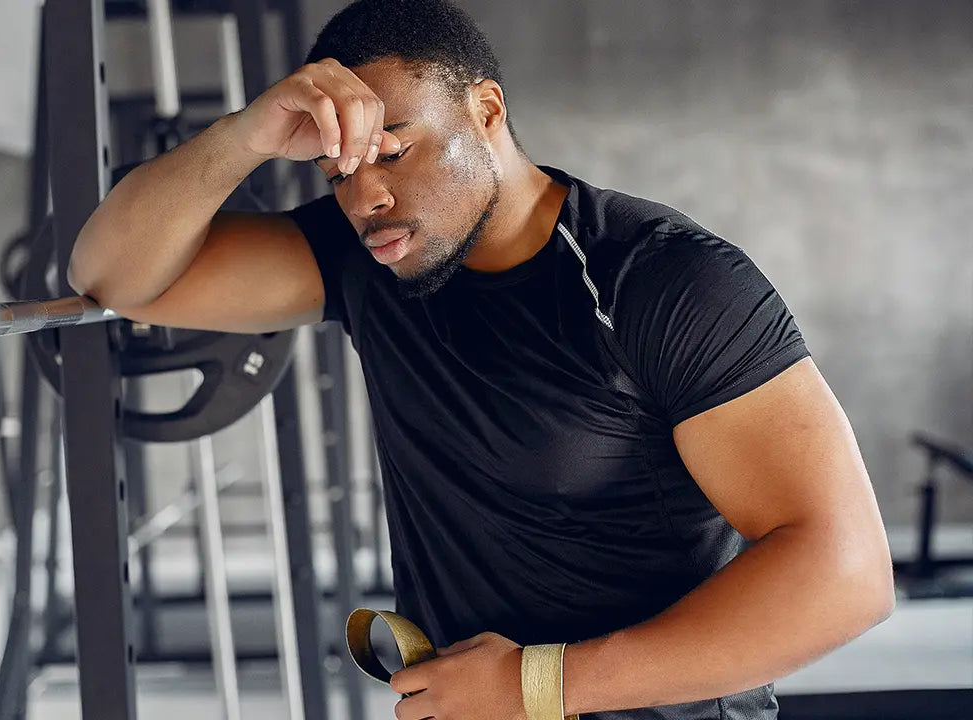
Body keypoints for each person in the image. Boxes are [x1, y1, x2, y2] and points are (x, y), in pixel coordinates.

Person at [68, 1, 895, 717]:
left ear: (487, 111)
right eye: (337, 172)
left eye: (392, 152)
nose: (364, 197)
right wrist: (245, 136)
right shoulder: (367, 257)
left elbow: (845, 573)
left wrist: (537, 685)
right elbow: (111, 274)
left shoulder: (662, 281)